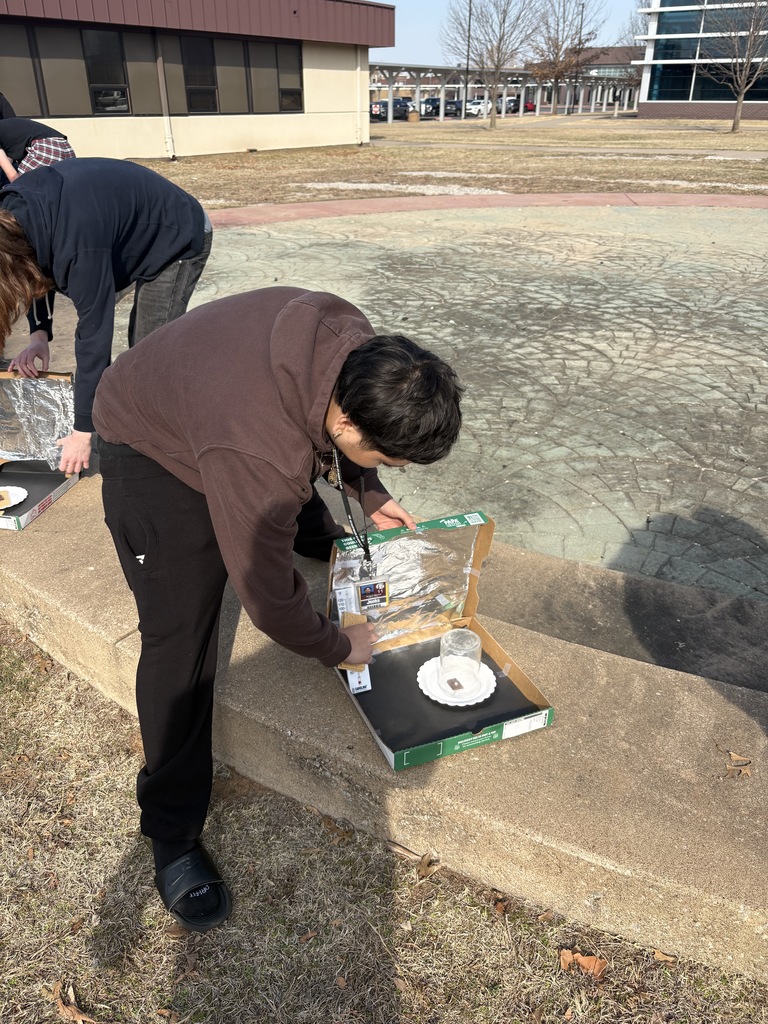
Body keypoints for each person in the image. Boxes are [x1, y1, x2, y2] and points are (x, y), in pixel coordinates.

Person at [92, 286, 463, 933]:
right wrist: (338, 646)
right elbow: (267, 601)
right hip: (147, 441)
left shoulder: (357, 341)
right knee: (179, 640)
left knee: (293, 509)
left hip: (218, 407)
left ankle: (312, 513)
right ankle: (172, 834)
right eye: (386, 458)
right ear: (348, 424)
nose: (390, 468)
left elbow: (319, 443)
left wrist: (367, 489)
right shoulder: (259, 454)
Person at [0, 157, 212, 473]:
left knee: (147, 352)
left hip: (177, 236)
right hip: (119, 234)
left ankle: (171, 446)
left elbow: (94, 339)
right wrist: (39, 336)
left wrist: (83, 432)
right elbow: (36, 269)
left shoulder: (77, 250)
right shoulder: (12, 213)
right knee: (136, 354)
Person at [0, 117, 76, 182]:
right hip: (65, 148)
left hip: (46, 149)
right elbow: (7, 162)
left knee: (23, 184)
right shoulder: (5, 128)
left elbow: (13, 176)